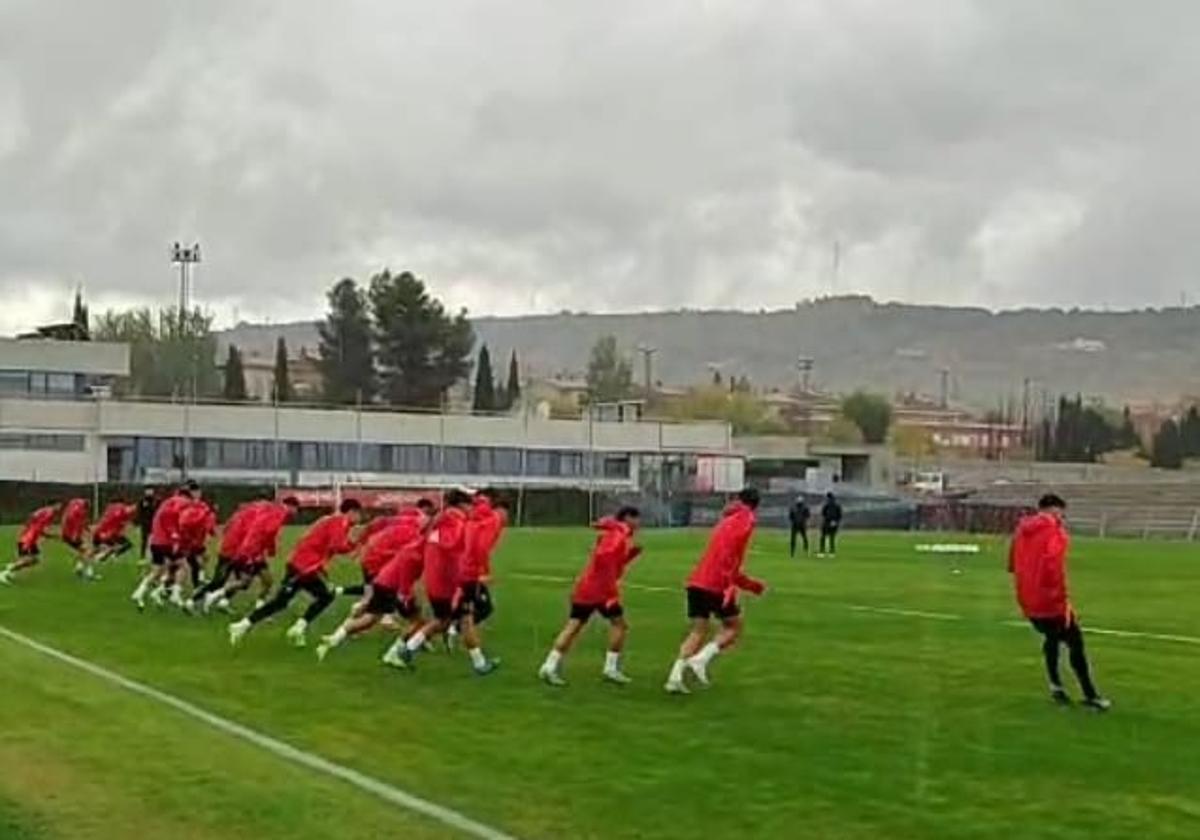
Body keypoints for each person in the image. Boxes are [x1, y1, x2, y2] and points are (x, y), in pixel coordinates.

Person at [1008, 494, 1111, 711]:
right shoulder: (1054, 532)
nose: (1063, 517)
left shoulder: (1021, 531)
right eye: (1061, 513)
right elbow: (1052, 565)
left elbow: (1011, 564)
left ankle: (1056, 686)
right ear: (1055, 509)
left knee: (1051, 638)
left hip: (1027, 598)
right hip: (1050, 600)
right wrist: (1060, 597)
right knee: (1075, 643)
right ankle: (1090, 695)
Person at [383, 489, 499, 675]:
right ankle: (479, 664)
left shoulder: (439, 521)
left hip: (436, 581)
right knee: (464, 619)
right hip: (448, 583)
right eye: (470, 505)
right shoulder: (454, 522)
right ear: (462, 505)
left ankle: (410, 648)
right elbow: (454, 546)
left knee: (443, 620)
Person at [665, 488, 765, 694]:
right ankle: (700, 660)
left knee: (698, 631)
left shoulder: (726, 519)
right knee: (733, 627)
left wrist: (746, 584)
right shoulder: (746, 520)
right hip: (717, 584)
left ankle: (674, 678)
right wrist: (740, 585)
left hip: (697, 581)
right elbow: (731, 558)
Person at [228, 498, 363, 648]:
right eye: (359, 514)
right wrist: (355, 543)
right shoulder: (339, 521)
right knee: (285, 601)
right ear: (351, 512)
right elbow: (336, 545)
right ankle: (244, 625)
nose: (360, 518)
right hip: (302, 565)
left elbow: (326, 545)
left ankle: (296, 628)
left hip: (307, 565)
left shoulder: (335, 521)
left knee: (315, 597)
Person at [538, 506, 642, 687]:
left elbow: (609, 559)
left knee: (574, 626)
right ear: (628, 518)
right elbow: (604, 557)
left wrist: (629, 556)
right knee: (620, 625)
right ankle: (610, 669)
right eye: (637, 519)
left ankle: (549, 665)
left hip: (587, 587)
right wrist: (611, 592)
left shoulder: (614, 532)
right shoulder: (619, 533)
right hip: (601, 591)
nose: (639, 524)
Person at [317, 513, 431, 661]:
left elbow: (375, 526)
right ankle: (395, 653)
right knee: (417, 620)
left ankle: (335, 637)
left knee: (371, 618)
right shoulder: (414, 545)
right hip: (386, 579)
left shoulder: (407, 533)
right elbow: (406, 571)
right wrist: (404, 594)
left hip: (381, 576)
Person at [201, 497, 298, 614]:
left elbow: (267, 531)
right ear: (292, 506)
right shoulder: (279, 513)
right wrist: (268, 548)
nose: (296, 513)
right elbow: (268, 531)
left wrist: (268, 548)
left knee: (267, 581)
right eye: (296, 509)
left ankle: (257, 606)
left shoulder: (271, 511)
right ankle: (214, 595)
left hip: (256, 551)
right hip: (252, 551)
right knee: (244, 581)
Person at [337, 499, 437, 600]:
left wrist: (362, 542)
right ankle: (362, 606)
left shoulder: (406, 519)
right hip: (377, 559)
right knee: (379, 592)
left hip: (374, 555)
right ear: (425, 508)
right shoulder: (415, 521)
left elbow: (381, 523)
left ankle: (340, 592)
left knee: (371, 593)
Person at [446, 490, 508, 648]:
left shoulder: (474, 519)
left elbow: (462, 544)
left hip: (464, 569)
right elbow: (479, 548)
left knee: (465, 606)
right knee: (482, 608)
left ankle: (452, 628)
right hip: (469, 572)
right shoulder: (486, 521)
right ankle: (452, 629)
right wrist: (483, 572)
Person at [188, 497, 270, 613]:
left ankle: (222, 602)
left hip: (240, 551)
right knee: (223, 581)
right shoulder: (254, 516)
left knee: (244, 581)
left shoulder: (240, 514)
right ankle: (195, 599)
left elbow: (226, 528)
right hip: (236, 552)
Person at [131, 482, 196, 610]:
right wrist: (174, 535)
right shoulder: (183, 502)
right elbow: (170, 516)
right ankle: (175, 595)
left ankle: (140, 591)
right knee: (184, 566)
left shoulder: (167, 501)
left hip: (156, 540)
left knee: (158, 570)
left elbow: (164, 516)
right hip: (167, 541)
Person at [0, 503, 62, 584]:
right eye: (59, 505)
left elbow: (33, 522)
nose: (60, 508)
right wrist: (49, 535)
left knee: (34, 560)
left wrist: (50, 535)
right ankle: (5, 573)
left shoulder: (42, 511)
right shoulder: (49, 513)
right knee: (30, 559)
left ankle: (11, 569)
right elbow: (38, 527)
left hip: (29, 537)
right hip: (28, 539)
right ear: (54, 504)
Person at [91, 499, 138, 564]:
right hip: (105, 533)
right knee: (114, 546)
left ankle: (105, 556)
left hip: (103, 533)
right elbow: (113, 523)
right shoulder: (121, 510)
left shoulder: (114, 509)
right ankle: (103, 556)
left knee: (124, 545)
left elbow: (119, 525)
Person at [59, 497, 94, 578]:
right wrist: (76, 535)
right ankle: (89, 573)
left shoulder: (72, 508)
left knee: (82, 551)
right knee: (88, 551)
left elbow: (67, 520)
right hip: (72, 536)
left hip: (67, 535)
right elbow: (79, 524)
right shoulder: (80, 512)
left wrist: (87, 528)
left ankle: (79, 568)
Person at [818, 492, 843, 557]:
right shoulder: (837, 505)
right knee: (832, 538)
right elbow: (840, 515)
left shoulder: (826, 505)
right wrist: (836, 521)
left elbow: (823, 513)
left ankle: (822, 552)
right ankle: (832, 552)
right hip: (834, 523)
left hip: (826, 522)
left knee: (823, 537)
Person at [136, 487, 158, 559]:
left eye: (150, 490)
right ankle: (142, 556)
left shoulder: (156, 500)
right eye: (147, 491)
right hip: (145, 524)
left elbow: (157, 511)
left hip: (154, 523)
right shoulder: (141, 501)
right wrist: (139, 522)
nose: (149, 492)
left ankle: (153, 555)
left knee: (154, 540)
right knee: (144, 540)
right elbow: (139, 512)